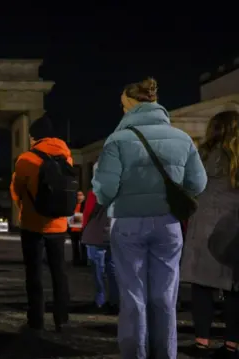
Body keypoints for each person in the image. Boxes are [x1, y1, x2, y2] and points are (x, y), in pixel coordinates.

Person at [92, 77, 207, 359]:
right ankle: (165, 354)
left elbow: (105, 191)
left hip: (129, 222)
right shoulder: (182, 139)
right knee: (165, 295)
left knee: (133, 296)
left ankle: (135, 354)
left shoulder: (117, 140)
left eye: (122, 105)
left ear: (131, 104)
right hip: (168, 222)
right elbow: (198, 183)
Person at [180, 110, 239, 358]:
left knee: (202, 288)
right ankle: (232, 346)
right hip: (234, 229)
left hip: (204, 228)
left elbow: (188, 188)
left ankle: (202, 342)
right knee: (235, 289)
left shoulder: (203, 155)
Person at [10, 113, 74, 332]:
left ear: (34, 137)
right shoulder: (66, 156)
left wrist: (24, 208)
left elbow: (16, 191)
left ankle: (36, 319)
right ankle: (61, 317)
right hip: (58, 225)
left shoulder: (26, 159)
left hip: (33, 225)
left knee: (34, 273)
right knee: (59, 272)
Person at [82, 187, 118, 313]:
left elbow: (87, 213)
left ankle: (100, 299)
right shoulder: (120, 191)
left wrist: (84, 229)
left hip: (95, 234)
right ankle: (115, 300)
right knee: (112, 269)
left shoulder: (95, 192)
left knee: (98, 270)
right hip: (113, 234)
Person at [69, 191, 87, 266]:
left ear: (84, 196)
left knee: (83, 246)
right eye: (78, 195)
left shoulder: (85, 205)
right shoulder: (72, 205)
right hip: (73, 229)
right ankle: (76, 261)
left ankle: (84, 261)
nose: (79, 197)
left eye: (81, 195)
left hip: (82, 229)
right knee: (75, 246)